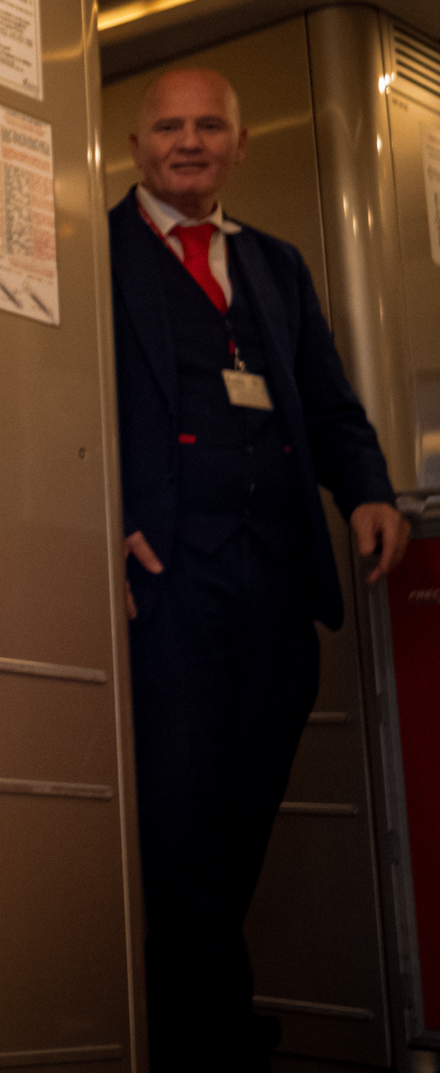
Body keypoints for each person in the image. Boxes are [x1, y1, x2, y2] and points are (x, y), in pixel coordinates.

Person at [108, 67, 410, 1071]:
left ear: (240, 145)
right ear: (136, 145)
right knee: (178, 813)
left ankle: (198, 1021)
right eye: (169, 127)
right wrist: (105, 521)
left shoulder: (276, 265)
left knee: (243, 810)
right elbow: (58, 406)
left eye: (209, 127)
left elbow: (328, 400)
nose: (188, 142)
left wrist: (368, 491)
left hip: (279, 577)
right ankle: (211, 1037)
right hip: (171, 579)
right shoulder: (95, 252)